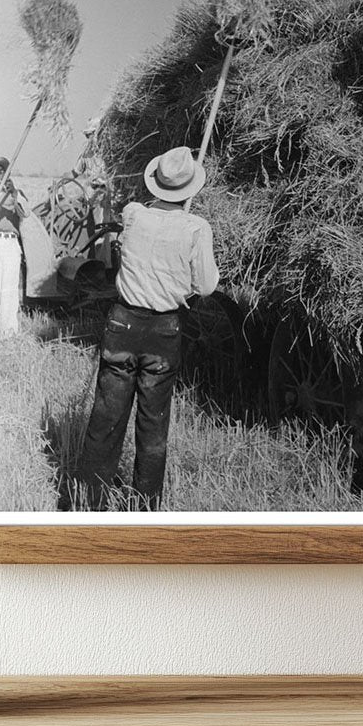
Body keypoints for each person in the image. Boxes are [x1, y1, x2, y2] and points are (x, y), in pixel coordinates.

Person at [79, 146, 220, 511]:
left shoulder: (133, 214)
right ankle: (143, 508)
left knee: (105, 420)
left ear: (156, 182)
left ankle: (86, 503)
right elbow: (205, 286)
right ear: (190, 190)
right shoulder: (195, 227)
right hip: (164, 330)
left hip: (122, 324)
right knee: (153, 426)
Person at [0, 156, 28, 335]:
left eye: (3, 170)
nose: (0, 172)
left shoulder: (15, 194)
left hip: (8, 243)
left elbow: (25, 212)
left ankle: (8, 332)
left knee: (8, 288)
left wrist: (14, 194)